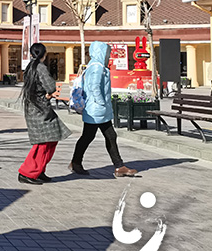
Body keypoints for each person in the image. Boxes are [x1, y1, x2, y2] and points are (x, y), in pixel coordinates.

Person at [69, 41, 138, 177]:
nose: (108, 55)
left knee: (103, 136)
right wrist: (101, 102)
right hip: (97, 109)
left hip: (97, 109)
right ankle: (77, 163)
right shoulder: (97, 67)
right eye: (107, 52)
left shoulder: (94, 65)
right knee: (92, 136)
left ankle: (118, 166)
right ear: (100, 52)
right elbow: (94, 86)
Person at [18, 43, 71, 185]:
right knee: (43, 142)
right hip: (40, 109)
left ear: (31, 54)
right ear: (44, 54)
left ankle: (39, 169)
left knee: (49, 140)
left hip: (33, 107)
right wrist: (48, 94)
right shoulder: (40, 67)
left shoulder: (30, 67)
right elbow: (51, 86)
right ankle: (27, 172)